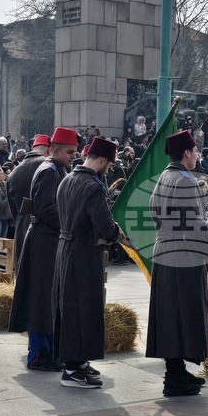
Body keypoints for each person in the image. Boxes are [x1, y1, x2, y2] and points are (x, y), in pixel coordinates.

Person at [52, 136, 124, 387]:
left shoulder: (68, 178)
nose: (109, 169)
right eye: (110, 164)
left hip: (66, 250)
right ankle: (71, 370)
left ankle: (79, 361)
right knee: (81, 309)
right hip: (83, 253)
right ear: (103, 160)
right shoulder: (93, 186)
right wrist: (116, 234)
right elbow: (103, 224)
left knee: (71, 307)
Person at [145, 130, 208, 397]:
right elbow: (194, 222)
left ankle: (177, 370)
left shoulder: (164, 176)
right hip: (183, 253)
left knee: (170, 314)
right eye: (195, 151)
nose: (197, 155)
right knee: (183, 313)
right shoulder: (184, 181)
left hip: (166, 250)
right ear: (187, 152)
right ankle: (174, 378)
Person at [9, 127, 79, 371]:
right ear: (54, 150)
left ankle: (47, 350)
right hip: (44, 241)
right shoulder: (49, 172)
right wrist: (72, 224)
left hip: (48, 239)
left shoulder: (57, 170)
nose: (73, 156)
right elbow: (47, 209)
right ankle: (38, 354)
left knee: (48, 298)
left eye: (75, 152)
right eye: (69, 152)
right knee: (41, 298)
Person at [7, 133, 50, 255]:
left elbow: (13, 210)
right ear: (49, 150)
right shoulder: (49, 167)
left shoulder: (14, 172)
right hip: (45, 231)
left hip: (21, 227)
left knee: (23, 270)